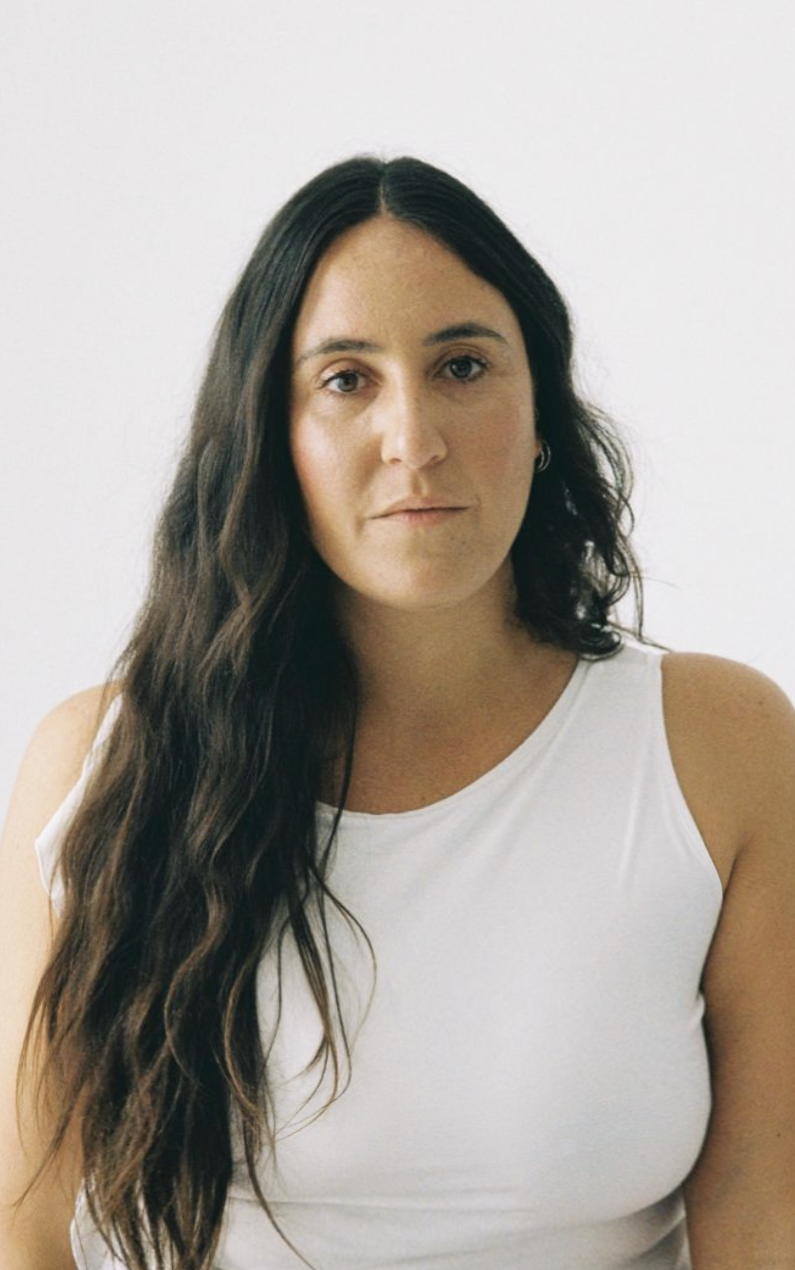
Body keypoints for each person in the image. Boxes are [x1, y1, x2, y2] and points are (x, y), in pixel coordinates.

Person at [1, 155, 794, 1270]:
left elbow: (767, 1226)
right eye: (345, 380)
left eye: (463, 365)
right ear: (270, 436)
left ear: (543, 413)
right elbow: (26, 1228)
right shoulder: (103, 766)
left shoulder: (719, 748)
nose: (413, 438)